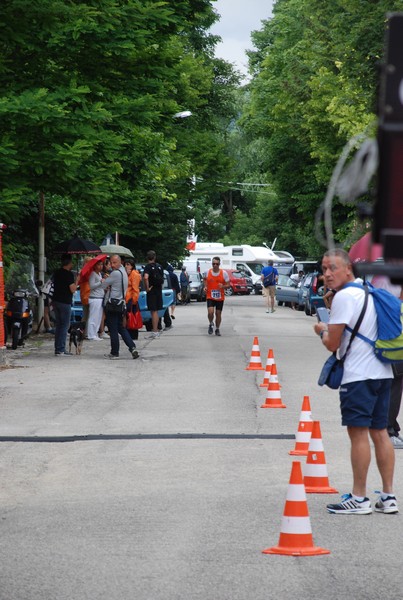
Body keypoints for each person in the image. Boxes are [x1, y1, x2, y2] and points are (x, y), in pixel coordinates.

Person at [314, 249, 397, 514]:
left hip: (359, 376)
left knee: (358, 434)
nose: (327, 274)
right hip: (383, 373)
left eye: (333, 268)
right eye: (324, 269)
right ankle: (388, 496)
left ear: (348, 268)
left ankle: (359, 498)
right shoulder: (367, 291)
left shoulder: (344, 297)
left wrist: (322, 329)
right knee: (381, 433)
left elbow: (332, 344)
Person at [371, 275, 403, 449]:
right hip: (394, 340)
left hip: (388, 339)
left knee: (392, 385)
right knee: (394, 386)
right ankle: (388, 431)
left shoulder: (379, 278)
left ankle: (392, 427)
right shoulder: (391, 279)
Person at [101, 254, 139, 359]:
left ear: (119, 262)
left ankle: (114, 352)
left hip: (112, 304)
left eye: (114, 262)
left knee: (113, 329)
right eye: (111, 263)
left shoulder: (115, 273)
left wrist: (105, 281)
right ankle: (132, 347)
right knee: (121, 328)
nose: (112, 265)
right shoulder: (124, 272)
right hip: (121, 303)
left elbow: (103, 285)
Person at [52, 254, 79, 356]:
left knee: (59, 325)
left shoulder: (57, 273)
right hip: (64, 302)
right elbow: (73, 289)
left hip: (56, 300)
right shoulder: (68, 275)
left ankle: (57, 347)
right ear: (68, 263)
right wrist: (77, 280)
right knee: (65, 325)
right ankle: (61, 349)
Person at [203, 257, 230, 336]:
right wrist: (205, 286)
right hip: (210, 296)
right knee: (210, 312)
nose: (215, 265)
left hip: (220, 297)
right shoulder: (207, 272)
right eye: (213, 264)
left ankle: (217, 329)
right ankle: (211, 323)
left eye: (217, 264)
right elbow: (204, 279)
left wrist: (223, 286)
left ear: (219, 264)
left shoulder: (224, 273)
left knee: (218, 314)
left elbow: (228, 285)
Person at [143, 250, 164, 339]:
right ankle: (157, 329)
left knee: (153, 311)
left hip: (152, 291)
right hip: (158, 290)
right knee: (157, 311)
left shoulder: (148, 267)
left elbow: (146, 277)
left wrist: (147, 288)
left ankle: (155, 331)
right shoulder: (159, 266)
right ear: (155, 257)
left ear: (147, 258)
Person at [87, 259, 106, 341]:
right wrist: (100, 282)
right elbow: (91, 286)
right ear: (95, 266)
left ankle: (95, 333)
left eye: (102, 264)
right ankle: (91, 334)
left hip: (100, 297)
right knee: (93, 317)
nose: (100, 266)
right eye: (99, 265)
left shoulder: (99, 274)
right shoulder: (93, 274)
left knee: (98, 317)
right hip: (94, 298)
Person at [124, 259, 141, 341]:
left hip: (131, 299)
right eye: (126, 264)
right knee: (129, 317)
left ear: (132, 265)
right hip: (127, 298)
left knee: (132, 317)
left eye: (128, 264)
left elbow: (135, 289)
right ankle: (130, 334)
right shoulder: (128, 274)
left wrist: (134, 301)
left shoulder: (134, 274)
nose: (126, 266)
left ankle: (133, 335)